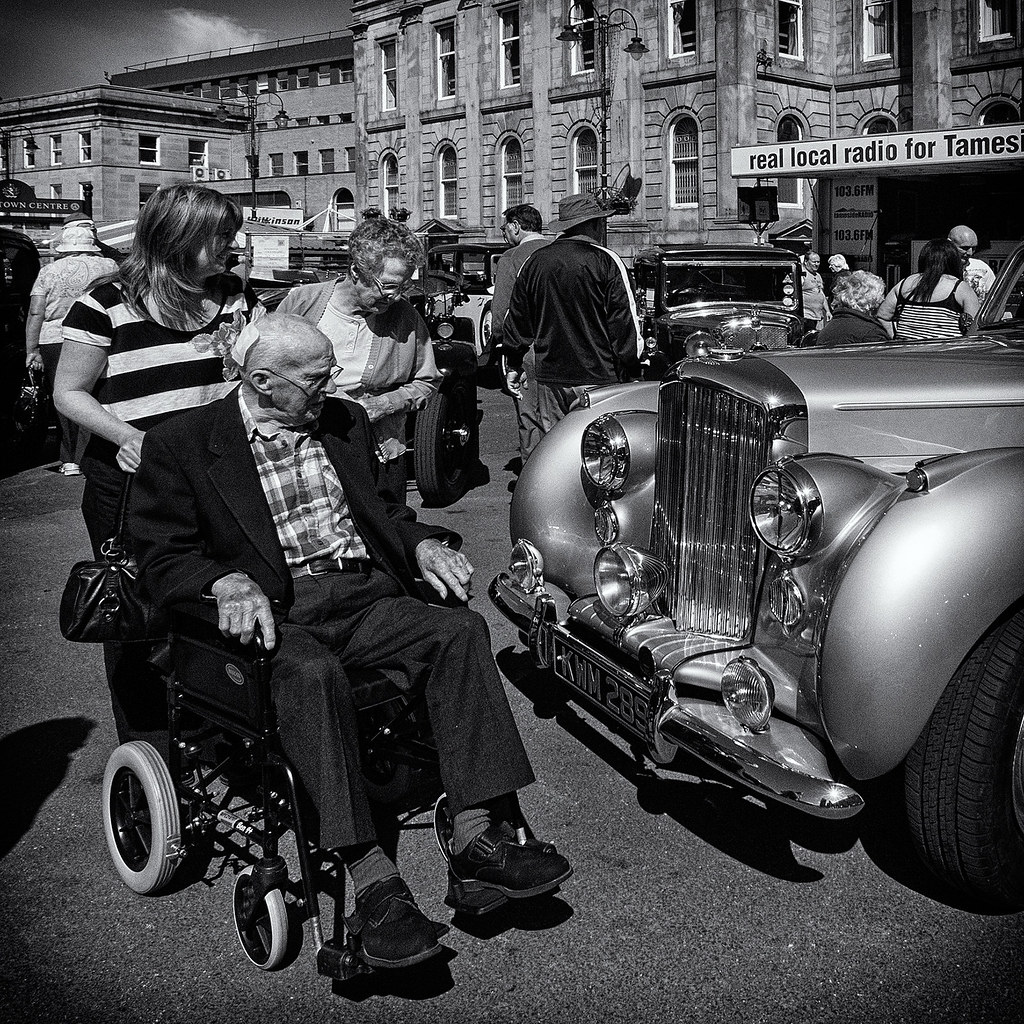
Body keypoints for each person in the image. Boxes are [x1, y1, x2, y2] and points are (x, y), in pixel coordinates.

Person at [129, 311, 572, 970]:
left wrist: (420, 542)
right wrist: (221, 582)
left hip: (364, 597)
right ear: (261, 382)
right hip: (277, 612)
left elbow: (385, 511)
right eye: (316, 376)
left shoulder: (344, 424)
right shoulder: (184, 445)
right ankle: (374, 886)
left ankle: (478, 839)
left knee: (458, 630)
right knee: (310, 676)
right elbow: (161, 555)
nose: (332, 381)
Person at [53, 183, 260, 747]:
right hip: (130, 483)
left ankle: (215, 729)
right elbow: (68, 393)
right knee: (137, 613)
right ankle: (149, 746)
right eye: (219, 236)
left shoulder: (234, 295)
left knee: (217, 595)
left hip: (214, 477)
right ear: (177, 237)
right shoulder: (104, 304)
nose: (231, 245)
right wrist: (127, 437)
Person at [278, 217, 439, 499]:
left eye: (402, 287)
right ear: (355, 270)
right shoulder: (302, 303)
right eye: (387, 286)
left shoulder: (406, 317)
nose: (395, 296)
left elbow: (427, 382)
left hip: (378, 452)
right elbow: (269, 369)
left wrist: (383, 404)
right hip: (304, 450)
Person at [503, 193, 641, 438]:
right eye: (601, 222)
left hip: (550, 377)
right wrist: (631, 365)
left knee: (556, 448)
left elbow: (517, 319)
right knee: (598, 452)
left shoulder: (535, 261)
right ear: (593, 224)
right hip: (598, 375)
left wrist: (513, 362)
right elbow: (624, 322)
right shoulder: (606, 260)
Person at [25, 222, 118, 475]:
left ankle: (70, 459)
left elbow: (36, 311)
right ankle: (95, 454)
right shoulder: (110, 267)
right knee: (98, 394)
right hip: (99, 332)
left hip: (55, 338)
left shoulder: (49, 271)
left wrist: (32, 349)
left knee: (66, 396)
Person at [490, 204, 549, 466]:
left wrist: (501, 344)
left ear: (515, 226)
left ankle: (535, 479)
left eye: (504, 228)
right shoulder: (556, 251)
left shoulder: (512, 257)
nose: (504, 233)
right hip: (565, 344)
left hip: (527, 347)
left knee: (530, 418)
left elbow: (501, 312)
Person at [876, 238, 980, 340]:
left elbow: (882, 317)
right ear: (954, 261)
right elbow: (975, 328)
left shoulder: (904, 283)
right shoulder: (961, 288)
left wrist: (898, 337)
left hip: (905, 353)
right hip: (944, 354)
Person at [816, 271, 891, 347]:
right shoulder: (872, 335)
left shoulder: (827, 330)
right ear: (873, 301)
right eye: (881, 297)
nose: (883, 301)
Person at [947, 224, 996, 300]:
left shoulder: (983, 268)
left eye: (973, 248)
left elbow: (995, 299)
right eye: (965, 248)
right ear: (949, 244)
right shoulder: (939, 268)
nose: (970, 253)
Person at [800, 251, 831, 333]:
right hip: (807, 316)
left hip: (818, 316)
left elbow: (821, 294)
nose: (817, 264)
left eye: (818, 262)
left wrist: (827, 311)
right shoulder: (802, 275)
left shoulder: (818, 276)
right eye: (814, 262)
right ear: (806, 262)